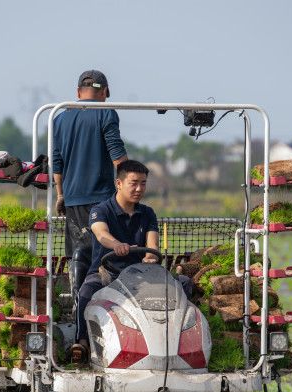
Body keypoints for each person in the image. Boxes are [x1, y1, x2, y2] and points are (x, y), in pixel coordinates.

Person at [71, 160, 192, 362]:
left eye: (143, 183)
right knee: (86, 291)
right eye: (134, 183)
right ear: (118, 183)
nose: (139, 189)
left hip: (141, 277)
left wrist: (150, 257)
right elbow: (101, 234)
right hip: (108, 274)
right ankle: (81, 341)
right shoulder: (100, 210)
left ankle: (179, 342)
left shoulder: (147, 213)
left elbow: (152, 244)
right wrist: (116, 245)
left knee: (184, 283)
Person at [51, 69, 128, 295]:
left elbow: (56, 162)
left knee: (78, 253)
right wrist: (130, 186)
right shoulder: (106, 113)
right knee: (106, 254)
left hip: (72, 199)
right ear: (105, 92)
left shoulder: (59, 118)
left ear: (78, 92)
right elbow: (117, 156)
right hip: (102, 199)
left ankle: (78, 302)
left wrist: (60, 195)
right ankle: (104, 304)